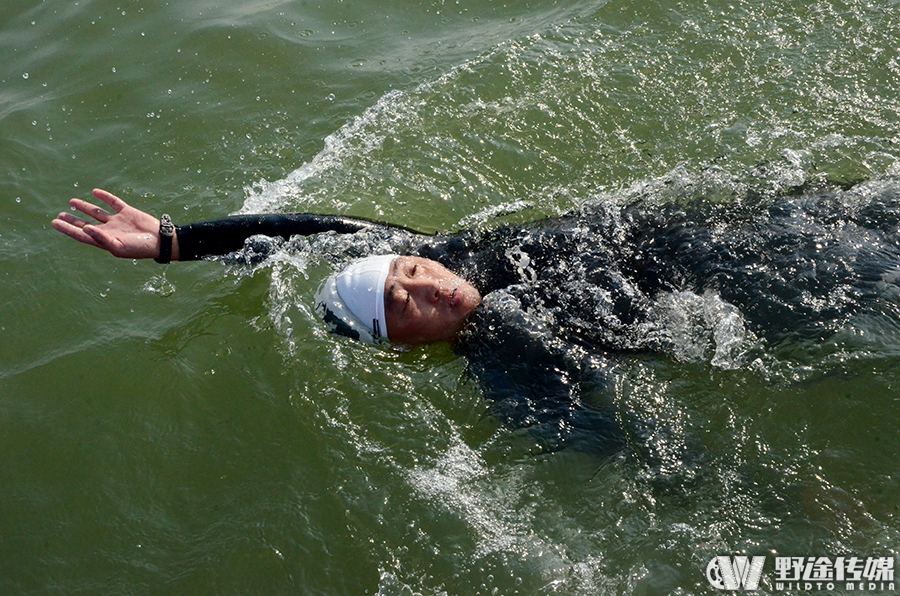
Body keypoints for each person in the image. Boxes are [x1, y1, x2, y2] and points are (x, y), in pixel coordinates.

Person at [52, 182, 900, 460]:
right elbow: (623, 445)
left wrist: (172, 241)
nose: (428, 290)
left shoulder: (458, 253)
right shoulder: (504, 363)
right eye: (403, 306)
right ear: (400, 346)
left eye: (414, 272)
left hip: (704, 231)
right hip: (751, 298)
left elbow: (306, 230)